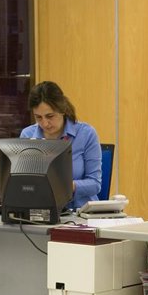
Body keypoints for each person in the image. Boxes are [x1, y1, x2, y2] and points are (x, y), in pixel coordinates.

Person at [19, 81, 101, 210]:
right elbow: (22, 182)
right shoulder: (27, 135)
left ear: (62, 110)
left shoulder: (86, 134)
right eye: (38, 117)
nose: (45, 123)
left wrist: (67, 186)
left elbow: (95, 184)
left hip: (80, 212)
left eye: (50, 116)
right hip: (41, 211)